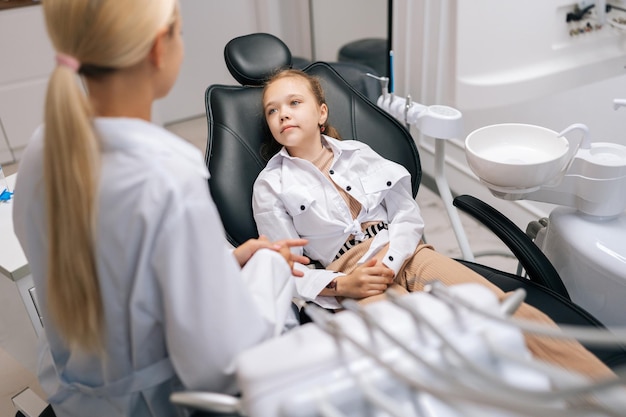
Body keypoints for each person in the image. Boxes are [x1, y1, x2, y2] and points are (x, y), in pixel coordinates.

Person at [12, 2, 308, 417]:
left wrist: (225, 260)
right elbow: (220, 368)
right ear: (158, 49)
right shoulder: (167, 174)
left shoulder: (44, 147)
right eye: (180, 32)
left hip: (76, 401)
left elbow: (120, 269)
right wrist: (272, 270)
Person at [252, 68, 614, 380]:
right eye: (273, 110)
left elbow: (407, 214)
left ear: (321, 112)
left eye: (294, 102)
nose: (283, 114)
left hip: (407, 253)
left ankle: (606, 394)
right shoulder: (270, 185)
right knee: (421, 347)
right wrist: (345, 283)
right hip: (354, 278)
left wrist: (393, 260)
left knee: (500, 309)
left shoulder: (358, 155)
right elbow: (286, 268)